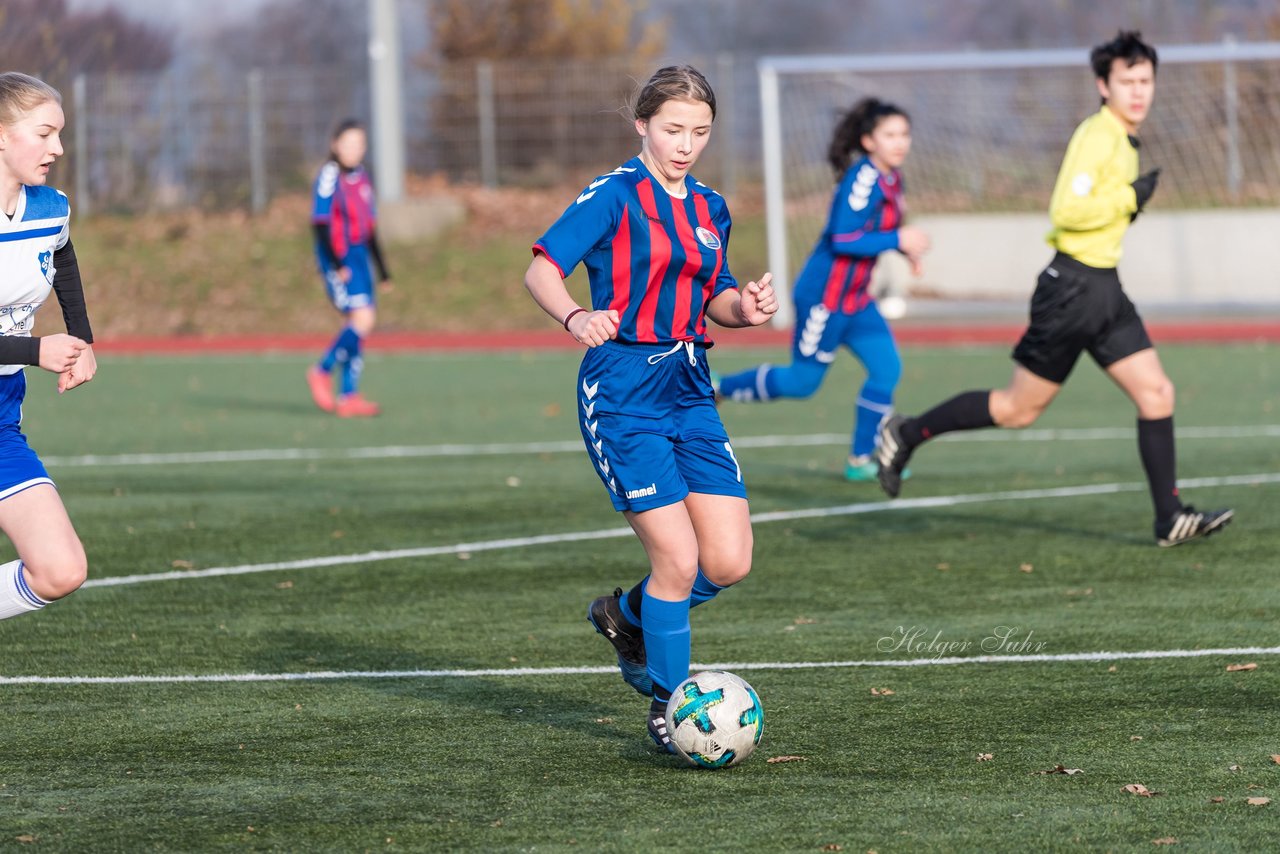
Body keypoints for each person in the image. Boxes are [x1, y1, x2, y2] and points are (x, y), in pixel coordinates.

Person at [876, 31, 1233, 547]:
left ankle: (1169, 518)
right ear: (1102, 86)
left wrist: (1125, 199)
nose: (1138, 91)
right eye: (1126, 81)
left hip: (1104, 288)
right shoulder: (1098, 135)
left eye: (1145, 80)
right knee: (1017, 410)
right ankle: (904, 434)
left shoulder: (1123, 138)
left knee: (1156, 393)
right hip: (1072, 290)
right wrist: (1127, 197)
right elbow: (1065, 211)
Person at [524, 65, 778, 753]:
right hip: (624, 391)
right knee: (678, 560)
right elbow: (541, 269)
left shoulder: (711, 207)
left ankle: (626, 615)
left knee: (726, 562)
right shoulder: (613, 196)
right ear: (642, 124)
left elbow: (714, 295)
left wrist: (744, 311)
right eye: (673, 129)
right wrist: (575, 316)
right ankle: (672, 711)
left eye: (700, 131)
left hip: (691, 388)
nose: (685, 144)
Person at [716, 98, 930, 481]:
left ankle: (861, 460)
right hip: (824, 300)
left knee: (886, 370)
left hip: (857, 300)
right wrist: (898, 236)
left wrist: (903, 246)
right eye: (890, 135)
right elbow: (844, 237)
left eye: (905, 134)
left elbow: (873, 234)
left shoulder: (893, 178)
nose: (900, 142)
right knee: (802, 384)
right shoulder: (862, 179)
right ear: (868, 142)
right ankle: (720, 387)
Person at [0, 72, 96, 621]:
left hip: (0, 419)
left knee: (60, 569)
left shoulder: (48, 208)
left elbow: (63, 255)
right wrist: (34, 350)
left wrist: (81, 338)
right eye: (44, 133)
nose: (58, 148)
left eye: (60, 134)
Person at [305, 119, 390, 418]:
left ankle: (348, 396)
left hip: (360, 258)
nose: (354, 150)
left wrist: (383, 270)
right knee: (362, 319)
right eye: (348, 143)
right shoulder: (329, 175)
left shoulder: (363, 177)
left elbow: (370, 227)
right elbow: (320, 223)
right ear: (335, 144)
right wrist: (337, 264)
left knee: (361, 324)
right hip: (338, 258)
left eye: (360, 144)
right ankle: (322, 370)